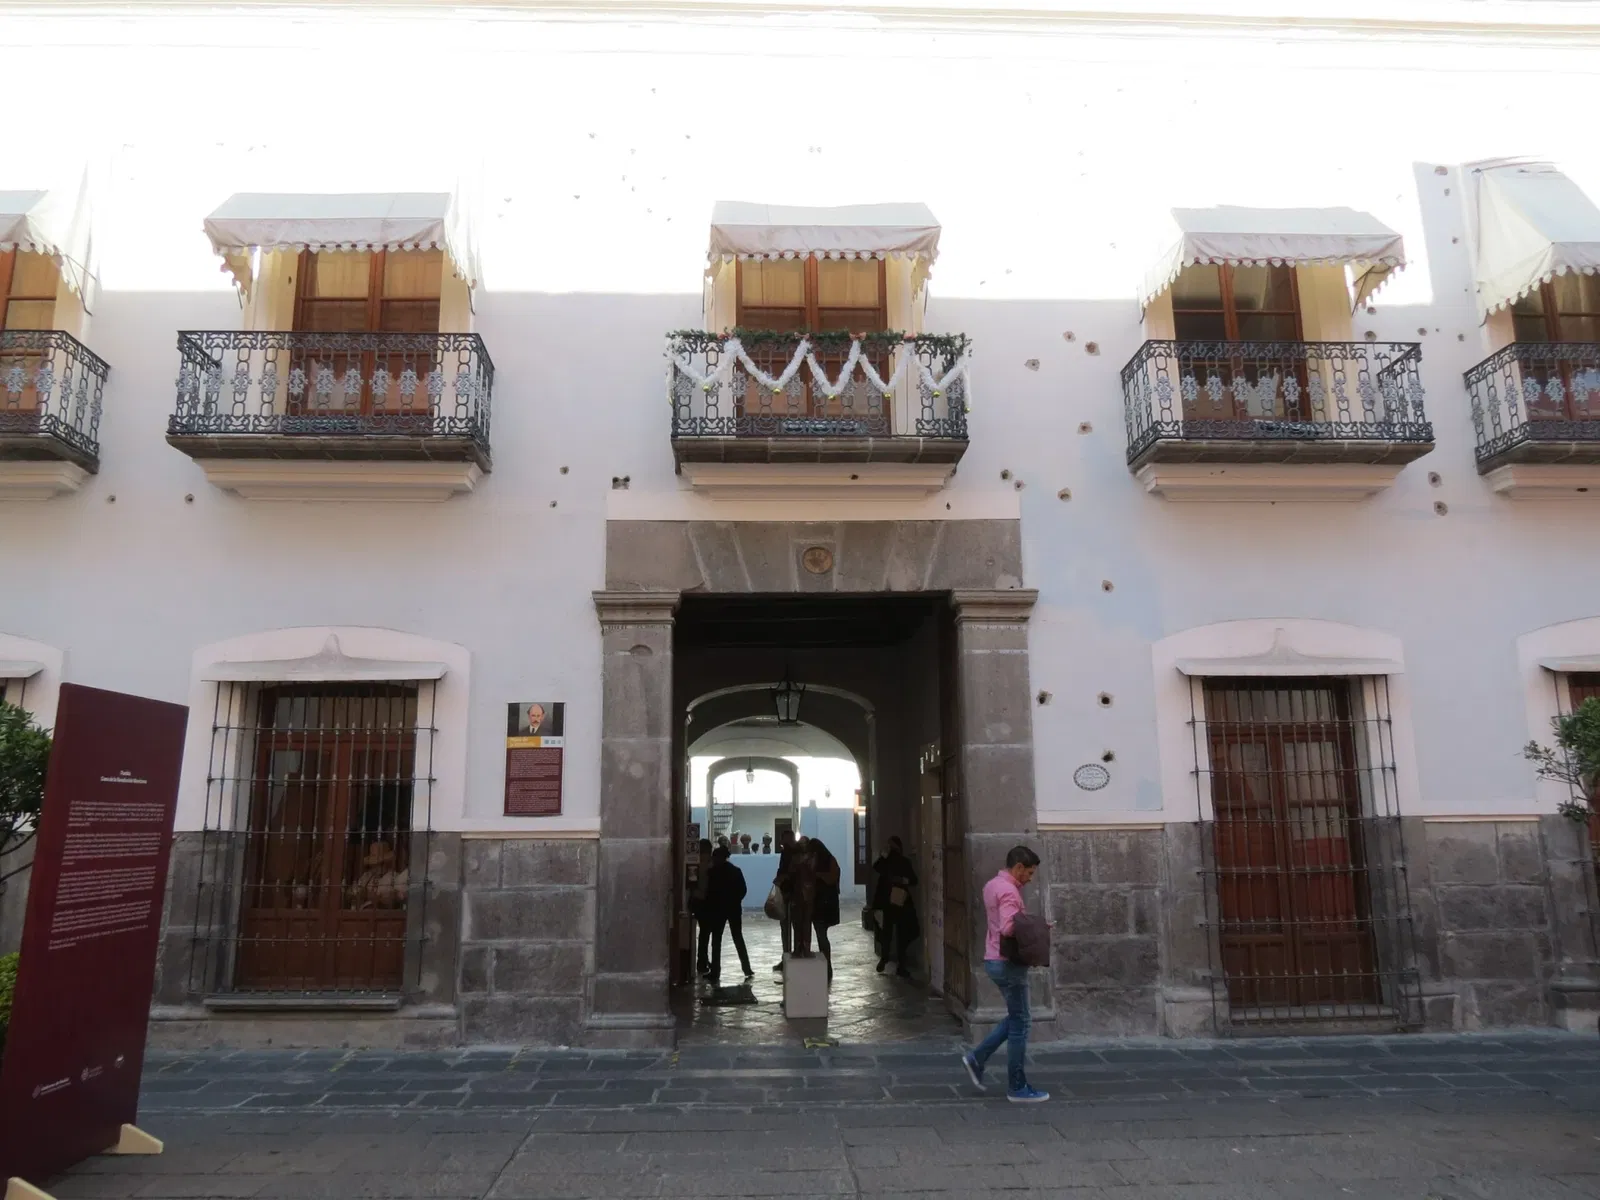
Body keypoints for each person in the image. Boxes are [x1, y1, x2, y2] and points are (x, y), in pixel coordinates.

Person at [962, 845, 1049, 1104]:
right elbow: (1009, 928)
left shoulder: (992, 885)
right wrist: (1038, 927)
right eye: (1029, 873)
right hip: (1008, 963)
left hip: (993, 958)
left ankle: (977, 1059)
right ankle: (1017, 1086)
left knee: (1016, 1018)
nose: (1030, 878)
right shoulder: (1010, 891)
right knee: (1021, 1023)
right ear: (1018, 867)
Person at [872, 836, 920, 978]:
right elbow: (913, 880)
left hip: (891, 902)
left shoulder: (889, 862)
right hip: (899, 903)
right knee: (900, 934)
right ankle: (900, 964)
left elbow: (876, 867)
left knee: (888, 932)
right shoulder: (901, 861)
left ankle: (886, 957)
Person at [705, 845, 753, 979]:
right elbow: (743, 890)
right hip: (733, 909)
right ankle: (746, 968)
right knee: (738, 938)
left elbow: (709, 892)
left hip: (718, 910)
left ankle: (715, 971)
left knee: (716, 940)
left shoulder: (712, 872)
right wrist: (735, 901)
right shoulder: (735, 871)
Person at [808, 837, 842, 981]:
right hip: (818, 902)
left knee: (822, 935)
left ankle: (827, 965)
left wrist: (818, 875)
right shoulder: (818, 860)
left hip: (825, 902)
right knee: (820, 934)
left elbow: (832, 879)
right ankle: (825, 965)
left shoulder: (829, 860)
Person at [771, 828, 798, 971]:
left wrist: (782, 879)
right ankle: (787, 957)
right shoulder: (787, 852)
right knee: (787, 927)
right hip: (787, 893)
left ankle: (792, 957)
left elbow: (790, 873)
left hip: (793, 895)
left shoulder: (793, 853)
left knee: (791, 926)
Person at [692, 838, 714, 977]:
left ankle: (703, 960)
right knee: (706, 933)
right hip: (706, 901)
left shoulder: (695, 862)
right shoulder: (709, 864)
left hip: (698, 900)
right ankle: (702, 962)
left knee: (704, 934)